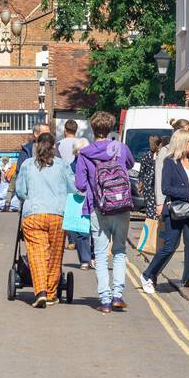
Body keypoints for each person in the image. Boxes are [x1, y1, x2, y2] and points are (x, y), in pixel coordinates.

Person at [141, 128, 189, 293]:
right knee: (169, 246)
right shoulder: (169, 162)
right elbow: (166, 188)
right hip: (176, 209)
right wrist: (187, 192)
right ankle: (147, 275)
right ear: (181, 142)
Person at [75, 111, 135, 313]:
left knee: (100, 256)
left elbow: (80, 185)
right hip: (122, 207)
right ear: (109, 129)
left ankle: (106, 301)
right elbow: (131, 164)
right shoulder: (120, 148)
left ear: (93, 130)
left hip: (98, 208)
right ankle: (118, 295)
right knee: (119, 251)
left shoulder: (85, 153)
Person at [15, 131, 75, 308]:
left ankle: (40, 291)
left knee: (37, 254)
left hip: (33, 215)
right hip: (57, 215)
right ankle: (50, 294)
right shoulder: (62, 165)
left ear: (37, 146)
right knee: (55, 256)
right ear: (54, 146)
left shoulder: (27, 165)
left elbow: (20, 192)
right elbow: (73, 189)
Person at [154, 119, 189, 288]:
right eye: (187, 132)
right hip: (173, 204)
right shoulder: (166, 153)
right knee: (171, 244)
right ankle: (153, 273)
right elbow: (161, 180)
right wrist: (160, 203)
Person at [58, 119, 93, 268]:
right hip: (90, 196)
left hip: (72, 191)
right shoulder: (86, 149)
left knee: (77, 224)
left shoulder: (59, 145)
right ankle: (91, 257)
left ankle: (83, 256)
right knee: (90, 228)